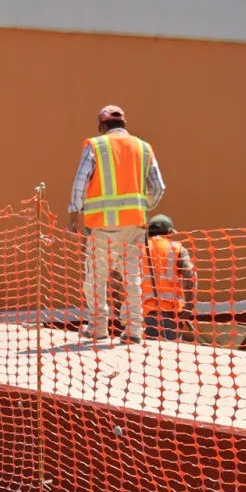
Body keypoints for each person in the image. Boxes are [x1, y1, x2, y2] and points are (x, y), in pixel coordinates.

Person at [67, 104, 166, 343]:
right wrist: (142, 206)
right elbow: (159, 187)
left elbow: (81, 181)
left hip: (102, 225)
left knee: (96, 278)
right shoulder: (143, 148)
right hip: (135, 225)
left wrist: (73, 213)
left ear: (102, 125)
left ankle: (98, 328)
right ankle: (133, 331)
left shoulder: (96, 145)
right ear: (124, 124)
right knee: (131, 279)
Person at [142, 214, 197, 341]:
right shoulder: (176, 248)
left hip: (144, 314)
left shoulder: (137, 249)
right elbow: (190, 273)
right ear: (169, 232)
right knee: (171, 355)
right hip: (171, 314)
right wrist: (189, 305)